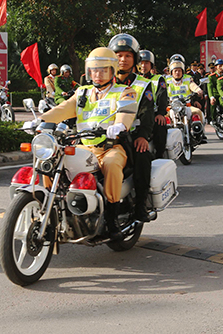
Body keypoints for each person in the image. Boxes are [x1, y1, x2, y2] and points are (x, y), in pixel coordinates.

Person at [36, 47, 137, 240]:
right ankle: (52, 205)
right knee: (53, 159)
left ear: (112, 70)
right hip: (83, 146)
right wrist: (41, 120)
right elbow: (63, 109)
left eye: (102, 69)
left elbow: (126, 112)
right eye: (94, 69)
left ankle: (112, 217)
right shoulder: (82, 92)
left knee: (112, 165)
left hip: (110, 147)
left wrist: (119, 126)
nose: (97, 74)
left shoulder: (124, 91)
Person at [108, 34, 156, 222]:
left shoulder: (142, 85)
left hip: (132, 135)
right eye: (118, 55)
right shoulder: (101, 80)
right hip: (102, 134)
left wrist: (143, 136)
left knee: (142, 155)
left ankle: (140, 204)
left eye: (128, 56)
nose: (123, 60)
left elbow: (148, 113)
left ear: (135, 59)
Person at [138, 49, 169, 159]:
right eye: (141, 63)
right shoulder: (134, 80)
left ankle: (160, 153)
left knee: (160, 125)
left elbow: (162, 96)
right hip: (136, 114)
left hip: (154, 113)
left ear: (151, 65)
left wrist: (161, 113)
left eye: (146, 63)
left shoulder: (158, 79)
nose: (143, 66)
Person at [167, 57, 207, 138]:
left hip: (186, 106)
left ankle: (200, 133)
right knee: (163, 118)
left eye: (179, 70)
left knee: (198, 112)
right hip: (172, 106)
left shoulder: (187, 78)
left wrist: (198, 90)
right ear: (171, 72)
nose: (177, 72)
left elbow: (193, 85)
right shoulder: (166, 80)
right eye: (175, 70)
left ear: (183, 71)